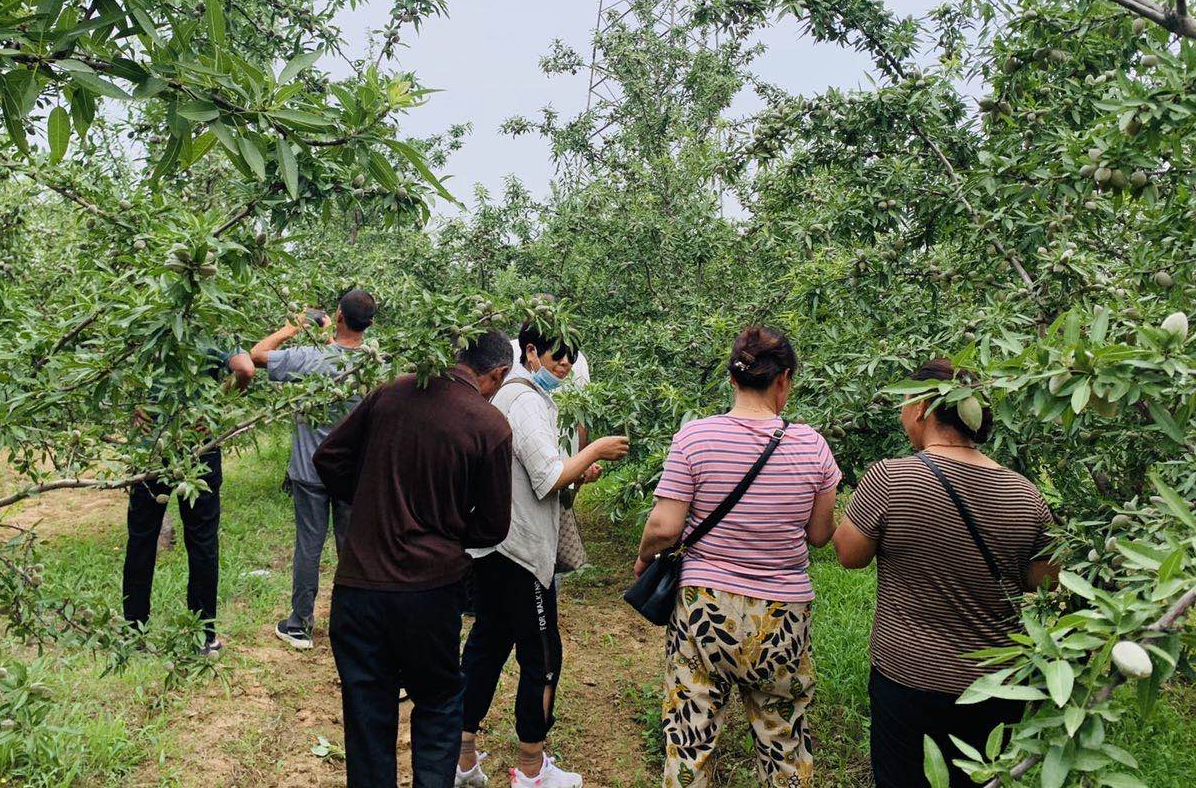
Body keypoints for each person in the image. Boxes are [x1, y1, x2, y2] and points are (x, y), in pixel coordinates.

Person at [833, 358, 1057, 788]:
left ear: (920, 408)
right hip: (997, 683)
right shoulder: (1025, 493)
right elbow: (1046, 580)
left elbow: (848, 554)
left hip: (908, 677)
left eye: (903, 404)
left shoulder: (891, 478)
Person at [634, 325, 840, 788]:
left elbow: (665, 527)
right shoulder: (812, 446)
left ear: (732, 378)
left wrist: (645, 556)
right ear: (784, 379)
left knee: (690, 735)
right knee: (784, 740)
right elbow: (820, 534)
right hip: (783, 615)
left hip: (705, 609)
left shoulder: (694, 438)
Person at [314, 330, 516, 788]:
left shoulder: (391, 392)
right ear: (498, 373)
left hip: (359, 584)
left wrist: (370, 500)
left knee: (366, 711)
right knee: (440, 700)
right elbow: (492, 526)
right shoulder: (488, 425)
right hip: (430, 590)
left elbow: (329, 458)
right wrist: (444, 531)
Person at [456, 326, 630, 788]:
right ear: (529, 351)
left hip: (495, 546)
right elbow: (547, 477)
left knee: (488, 645)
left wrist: (579, 474)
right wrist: (593, 449)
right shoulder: (526, 399)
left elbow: (538, 473)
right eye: (557, 357)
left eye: (571, 359)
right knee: (542, 655)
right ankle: (531, 769)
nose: (565, 366)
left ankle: (462, 758)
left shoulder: (509, 397)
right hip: (520, 553)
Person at [249, 289, 377, 651]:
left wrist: (292, 327)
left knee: (309, 546)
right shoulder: (375, 364)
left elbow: (256, 355)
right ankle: (353, 627)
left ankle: (300, 625)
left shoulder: (309, 358)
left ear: (338, 315)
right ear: (370, 323)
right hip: (353, 473)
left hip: (309, 471)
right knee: (351, 549)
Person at [121, 347, 253, 657]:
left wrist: (139, 403)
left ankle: (133, 632)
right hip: (199, 449)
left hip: (153, 446)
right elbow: (245, 369)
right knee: (202, 542)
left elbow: (120, 365)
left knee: (141, 540)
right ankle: (203, 636)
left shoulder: (148, 327)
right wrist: (214, 407)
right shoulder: (212, 333)